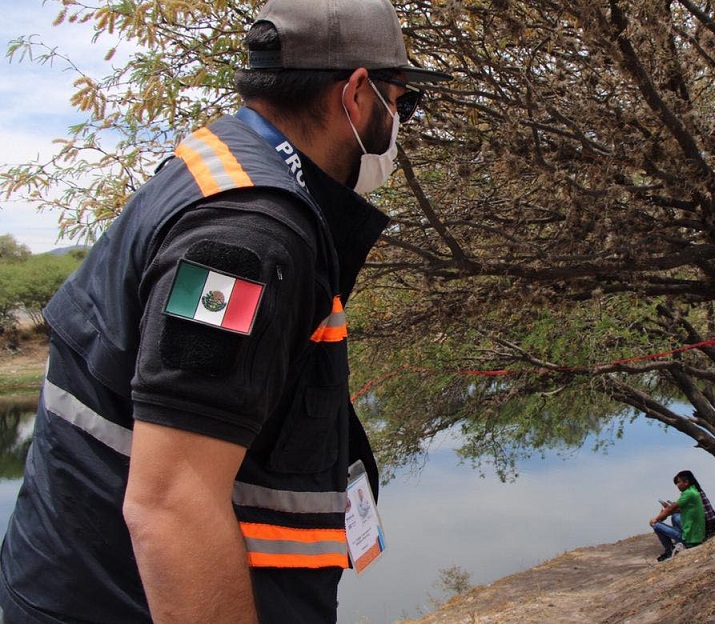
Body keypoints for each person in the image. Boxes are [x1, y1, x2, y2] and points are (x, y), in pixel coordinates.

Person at [0, 0, 450, 622]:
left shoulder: (220, 163)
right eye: (400, 101)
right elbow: (172, 502)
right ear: (355, 93)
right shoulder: (245, 240)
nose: (399, 121)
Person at [649, 470, 707, 561]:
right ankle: (679, 541)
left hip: (691, 540)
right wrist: (669, 510)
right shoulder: (693, 490)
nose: (677, 485)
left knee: (656, 525)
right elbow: (677, 510)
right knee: (675, 516)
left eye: (679, 482)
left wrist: (656, 519)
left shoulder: (688, 493)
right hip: (698, 534)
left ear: (686, 482)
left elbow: (670, 509)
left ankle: (669, 551)